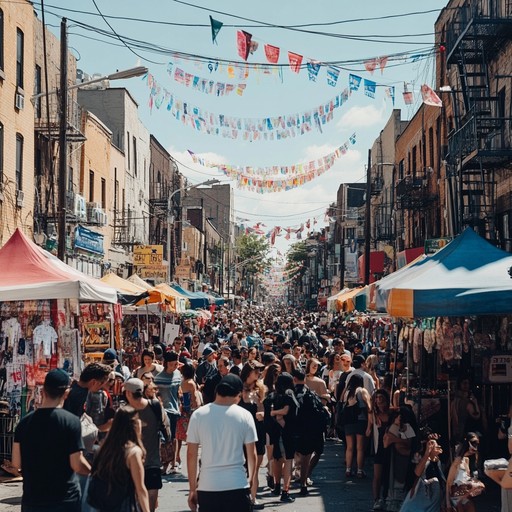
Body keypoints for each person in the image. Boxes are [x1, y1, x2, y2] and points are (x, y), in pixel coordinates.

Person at [12, 369, 91, 512]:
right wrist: (95, 473)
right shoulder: (71, 422)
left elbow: (16, 463)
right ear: (66, 393)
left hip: (33, 500)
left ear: (43, 391)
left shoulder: (23, 424)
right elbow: (77, 464)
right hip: (64, 500)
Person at [187, 374, 257, 512]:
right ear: (238, 394)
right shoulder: (245, 415)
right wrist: (251, 480)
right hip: (237, 483)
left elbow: (191, 454)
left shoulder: (198, 415)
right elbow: (252, 454)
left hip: (208, 485)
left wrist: (192, 489)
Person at [87, 406, 150, 512]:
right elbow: (140, 488)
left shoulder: (104, 449)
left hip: (103, 506)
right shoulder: (133, 453)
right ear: (134, 425)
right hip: (124, 505)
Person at [124, 378, 170, 512]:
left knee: (137, 492)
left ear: (128, 393)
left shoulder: (125, 411)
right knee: (152, 489)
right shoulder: (155, 405)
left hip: (132, 461)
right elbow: (166, 426)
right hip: (153, 457)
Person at [264, 372, 299, 503]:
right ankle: (285, 491)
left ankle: (277, 486)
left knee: (277, 460)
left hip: (274, 433)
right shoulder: (288, 395)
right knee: (288, 462)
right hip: (286, 432)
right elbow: (285, 412)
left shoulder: (272, 396)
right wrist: (280, 418)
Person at [239, 360, 266, 509]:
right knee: (242, 464)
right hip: (240, 430)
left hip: (256, 429)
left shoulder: (260, 389)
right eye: (256, 371)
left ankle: (253, 497)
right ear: (249, 373)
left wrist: (262, 413)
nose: (259, 374)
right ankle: (243, 496)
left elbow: (262, 408)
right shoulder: (238, 388)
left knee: (255, 465)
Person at [154, 351, 182, 474]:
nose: (175, 366)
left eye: (176, 364)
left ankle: (173, 463)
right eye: (173, 364)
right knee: (165, 438)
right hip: (164, 411)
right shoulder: (159, 378)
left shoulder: (178, 374)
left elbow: (179, 391)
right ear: (167, 363)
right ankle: (164, 464)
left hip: (175, 410)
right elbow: (156, 394)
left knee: (174, 438)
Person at [339, 374, 372, 479]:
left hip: (348, 422)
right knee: (360, 448)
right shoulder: (362, 391)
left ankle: (348, 469)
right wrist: (370, 425)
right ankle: (359, 470)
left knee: (349, 447)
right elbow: (369, 407)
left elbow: (341, 404)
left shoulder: (347, 392)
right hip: (360, 420)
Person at [447, 432, 484, 512]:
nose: (475, 447)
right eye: (473, 443)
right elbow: (449, 483)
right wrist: (448, 504)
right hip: (456, 496)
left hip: (465, 495)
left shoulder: (466, 460)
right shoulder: (457, 461)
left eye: (477, 444)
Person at [175, 363, 202, 471]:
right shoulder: (191, 383)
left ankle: (177, 457)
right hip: (190, 411)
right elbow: (194, 398)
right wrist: (197, 408)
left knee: (179, 436)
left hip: (182, 411)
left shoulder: (181, 382)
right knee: (192, 437)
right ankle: (192, 457)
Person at [372, 389, 392, 511]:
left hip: (391, 448)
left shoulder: (393, 413)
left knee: (388, 474)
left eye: (381, 397)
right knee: (377, 475)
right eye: (377, 398)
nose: (379, 400)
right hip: (379, 447)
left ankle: (386, 497)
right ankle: (376, 499)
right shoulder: (374, 414)